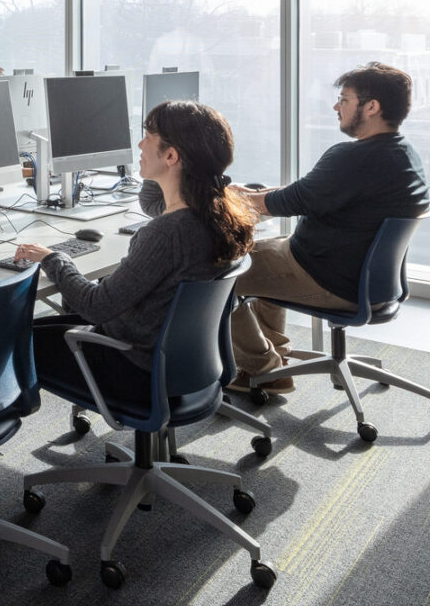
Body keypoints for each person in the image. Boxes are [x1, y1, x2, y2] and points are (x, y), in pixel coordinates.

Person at [13, 100, 252, 403]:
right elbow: (158, 204)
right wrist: (158, 172)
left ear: (171, 155)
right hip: (181, 365)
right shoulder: (219, 217)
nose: (139, 144)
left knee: (14, 337)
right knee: (56, 317)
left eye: (148, 137)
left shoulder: (166, 233)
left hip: (133, 370)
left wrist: (52, 258)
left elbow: (95, 306)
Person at [229, 62, 430, 385]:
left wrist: (227, 197)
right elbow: (304, 194)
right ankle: (273, 357)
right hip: (367, 281)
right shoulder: (404, 154)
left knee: (216, 272)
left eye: (344, 99)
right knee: (260, 253)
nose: (336, 106)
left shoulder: (352, 158)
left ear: (372, 107)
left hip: (328, 278)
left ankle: (262, 369)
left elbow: (286, 203)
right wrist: (252, 194)